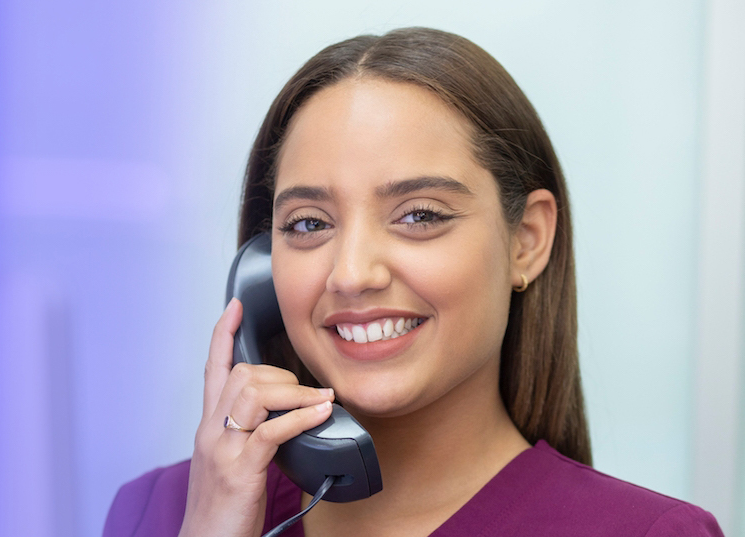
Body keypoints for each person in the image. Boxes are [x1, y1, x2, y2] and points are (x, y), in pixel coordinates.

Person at [104, 27, 724, 537]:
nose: (351, 274)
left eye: (419, 216)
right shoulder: (158, 511)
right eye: (309, 222)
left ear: (527, 240)